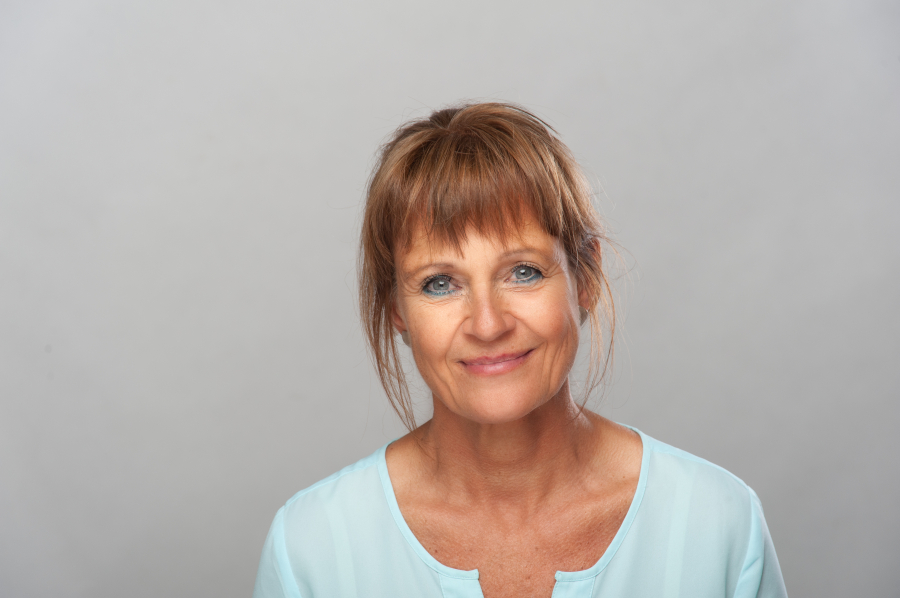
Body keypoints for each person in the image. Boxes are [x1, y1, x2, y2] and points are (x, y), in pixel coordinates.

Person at [253, 102, 788, 598]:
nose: (487, 325)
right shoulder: (311, 550)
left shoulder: (718, 526)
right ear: (396, 307)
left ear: (586, 277)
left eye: (524, 272)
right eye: (440, 283)